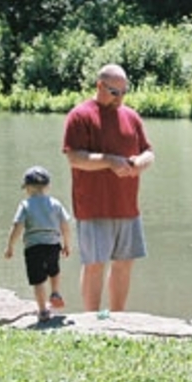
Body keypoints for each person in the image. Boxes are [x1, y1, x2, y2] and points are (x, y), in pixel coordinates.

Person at [63, 63, 155, 312]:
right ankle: (92, 320)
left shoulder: (131, 116)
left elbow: (148, 151)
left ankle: (118, 318)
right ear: (99, 86)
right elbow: (75, 158)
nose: (120, 98)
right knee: (94, 264)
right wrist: (109, 161)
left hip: (127, 206)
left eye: (125, 92)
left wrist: (140, 163)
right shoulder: (80, 115)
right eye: (115, 92)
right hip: (93, 206)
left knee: (124, 263)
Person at [4, 166, 72, 322]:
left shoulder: (25, 205)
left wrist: (10, 246)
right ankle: (55, 292)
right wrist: (67, 244)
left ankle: (42, 311)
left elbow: (17, 227)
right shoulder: (55, 204)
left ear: (27, 188)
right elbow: (65, 226)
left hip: (33, 248)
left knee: (38, 280)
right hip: (53, 245)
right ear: (48, 186)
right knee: (54, 270)